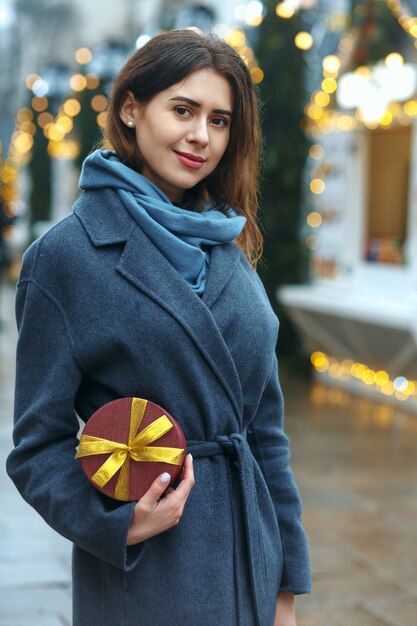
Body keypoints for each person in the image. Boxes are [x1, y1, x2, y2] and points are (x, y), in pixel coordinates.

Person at [7, 29, 311, 626]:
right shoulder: (66, 258)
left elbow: (266, 433)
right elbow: (36, 448)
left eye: (220, 120)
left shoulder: (228, 241)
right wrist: (117, 524)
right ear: (130, 107)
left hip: (252, 559)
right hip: (151, 572)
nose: (202, 136)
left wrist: (287, 583)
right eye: (183, 110)